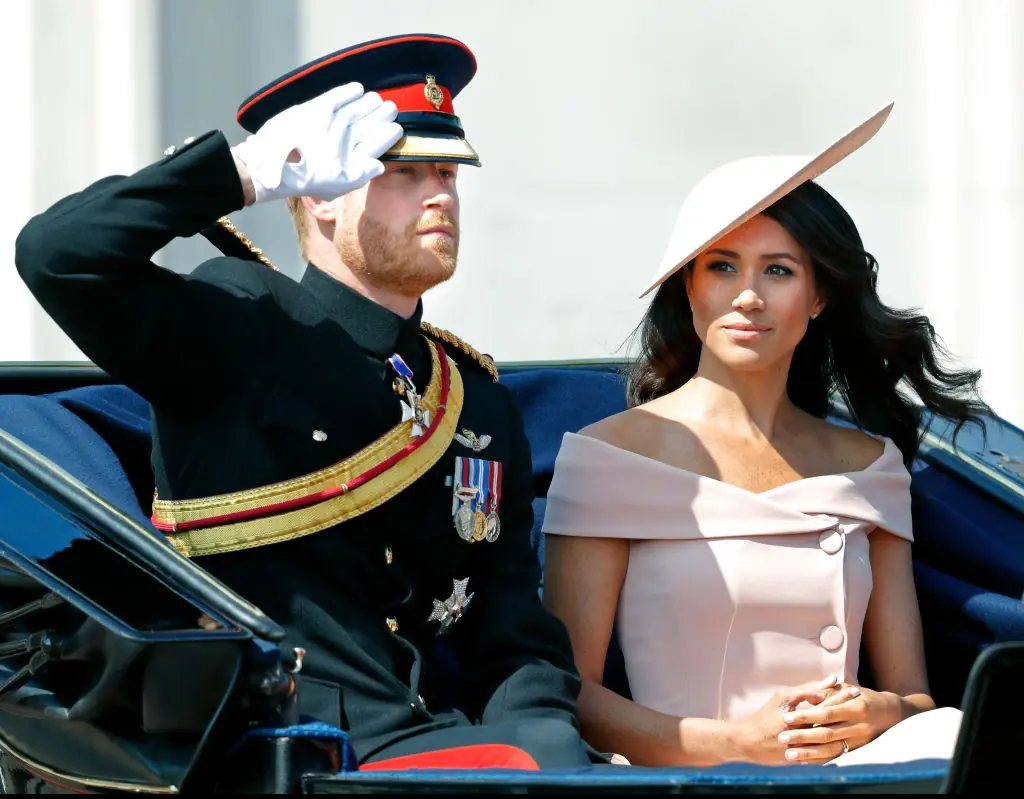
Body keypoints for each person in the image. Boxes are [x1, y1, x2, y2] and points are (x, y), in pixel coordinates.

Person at [14, 33, 596, 770]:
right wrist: (242, 175)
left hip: (433, 745)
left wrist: (544, 746)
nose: (440, 193)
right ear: (321, 194)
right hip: (283, 743)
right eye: (404, 172)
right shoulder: (243, 322)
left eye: (448, 171)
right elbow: (58, 255)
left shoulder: (473, 401)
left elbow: (512, 632)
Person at [540, 102, 991, 768]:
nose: (747, 295)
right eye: (722, 266)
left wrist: (885, 710)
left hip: (857, 779)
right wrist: (729, 744)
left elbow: (913, 694)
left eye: (777, 270)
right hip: (686, 782)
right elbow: (569, 694)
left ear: (818, 296)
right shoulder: (609, 456)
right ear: (688, 288)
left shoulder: (871, 465)